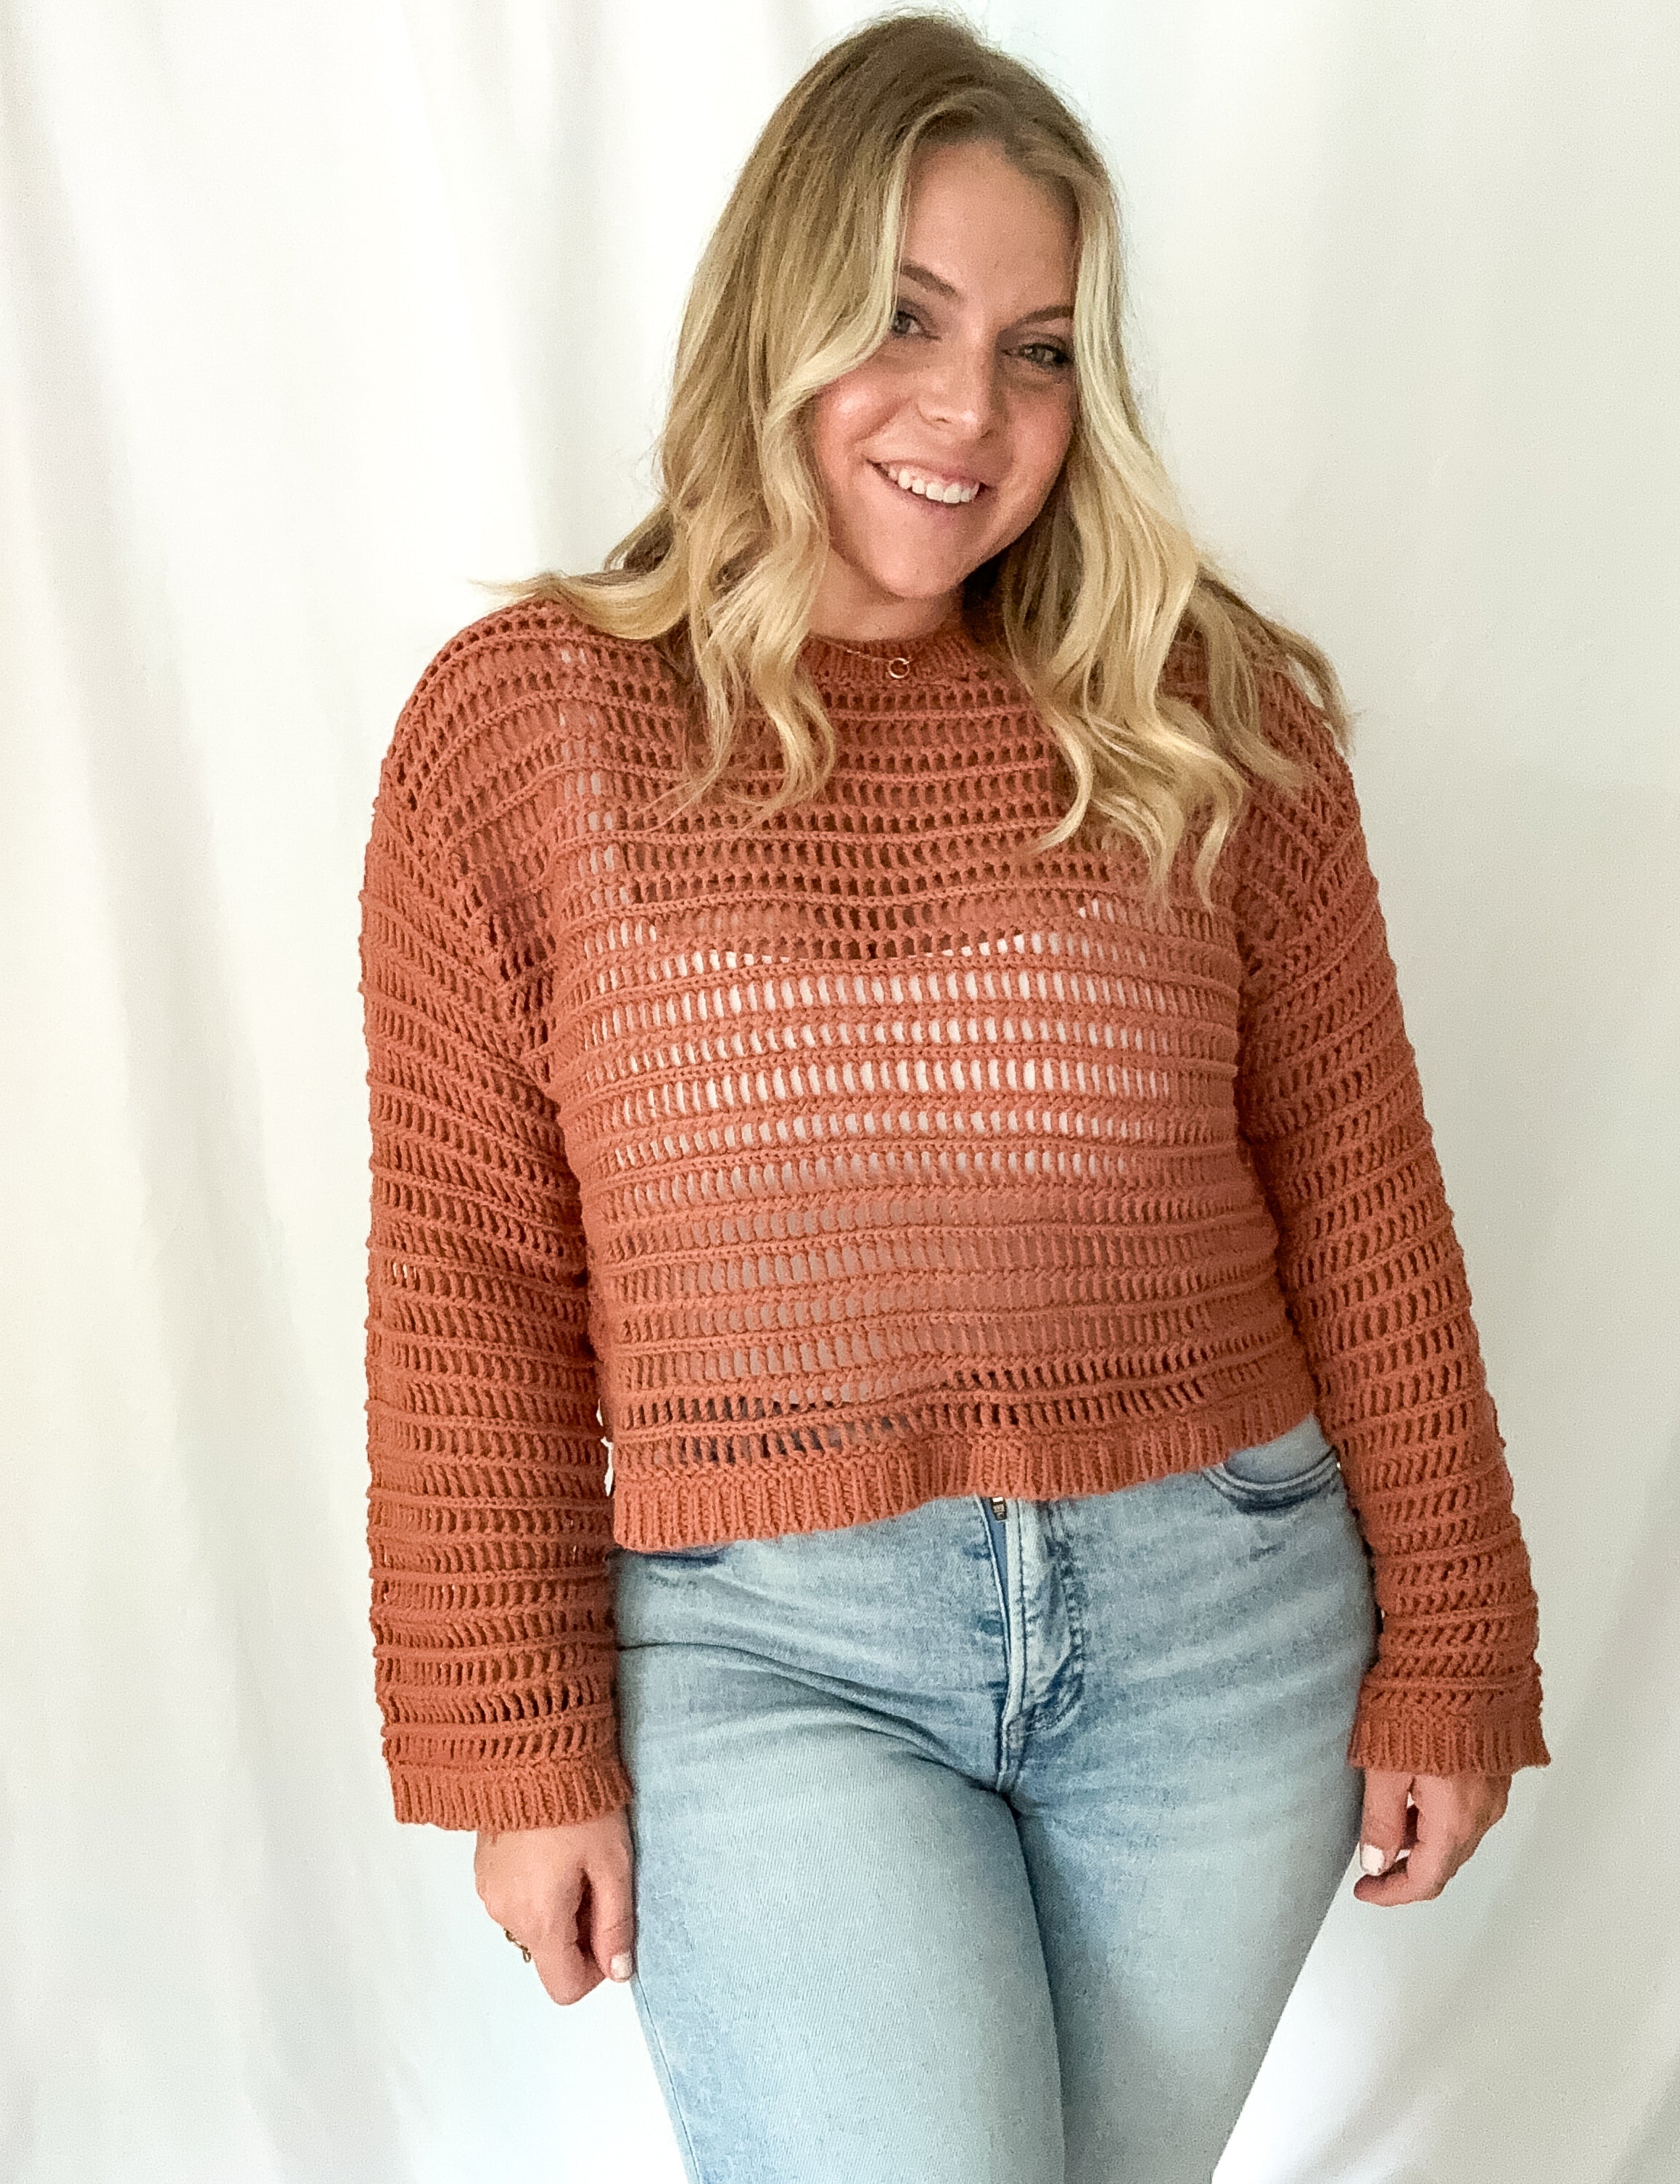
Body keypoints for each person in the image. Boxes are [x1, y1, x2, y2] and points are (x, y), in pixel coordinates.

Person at [358, 13, 1550, 2180]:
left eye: (1037, 349)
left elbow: (1361, 1194)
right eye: (900, 321)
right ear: (769, 316)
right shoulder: (525, 729)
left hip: (1224, 1621)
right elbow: (467, 1276)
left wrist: (1459, 1638)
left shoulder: (1208, 707)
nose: (966, 411)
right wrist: (513, 1737)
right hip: (760, 1654)